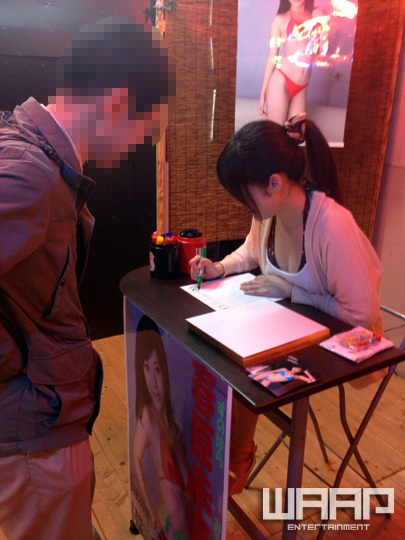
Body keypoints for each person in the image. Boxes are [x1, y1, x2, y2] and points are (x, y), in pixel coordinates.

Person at [0, 16, 175, 540]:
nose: (139, 144)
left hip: (39, 416)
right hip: (34, 433)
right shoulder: (31, 173)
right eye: (146, 130)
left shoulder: (29, 150)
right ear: (118, 101)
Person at [189, 113, 384, 495]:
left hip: (344, 347)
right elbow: (251, 252)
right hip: (291, 328)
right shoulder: (270, 212)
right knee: (217, 354)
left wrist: (293, 293)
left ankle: (235, 457)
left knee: (243, 365)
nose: (239, 202)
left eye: (241, 193)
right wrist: (219, 268)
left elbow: (361, 316)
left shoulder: (332, 226)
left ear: (274, 183)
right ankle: (221, 451)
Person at [133, 316, 192, 540]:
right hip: (166, 531)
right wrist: (151, 517)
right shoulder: (148, 417)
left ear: (166, 371)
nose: (153, 382)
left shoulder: (175, 430)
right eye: (146, 368)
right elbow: (135, 461)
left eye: (157, 369)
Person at [258, 0, 328, 124]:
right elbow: (272, 58)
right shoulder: (280, 20)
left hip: (302, 88)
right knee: (276, 132)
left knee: (296, 134)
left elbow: (321, 54)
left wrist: (324, 25)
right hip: (281, 83)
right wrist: (263, 94)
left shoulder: (317, 17)